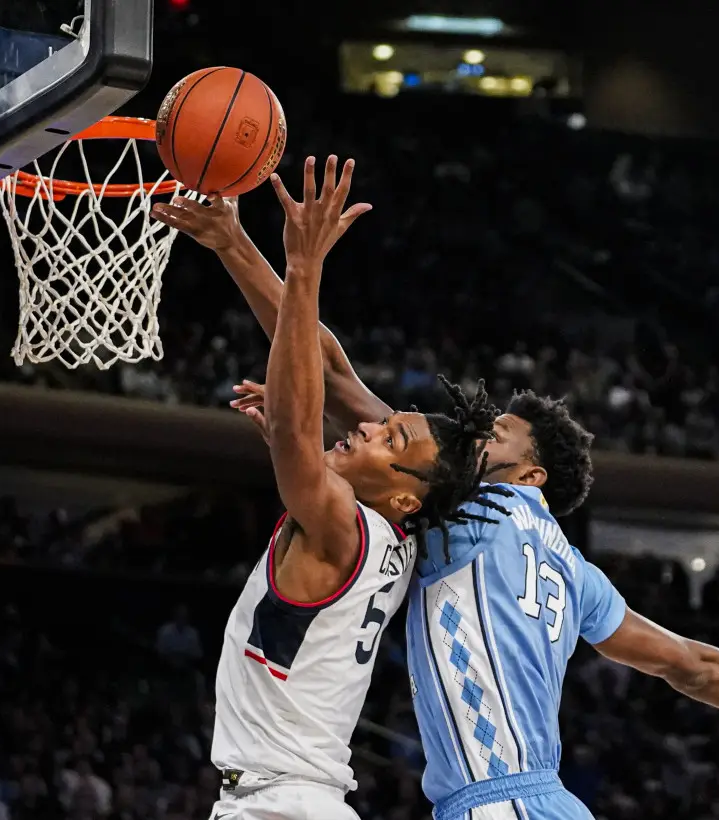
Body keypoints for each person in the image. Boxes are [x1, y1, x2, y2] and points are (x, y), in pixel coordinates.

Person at [152, 185, 719, 819]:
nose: (476, 435)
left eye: (496, 436)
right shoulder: (575, 575)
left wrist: (246, 252)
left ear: (531, 476)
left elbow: (328, 384)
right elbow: (690, 665)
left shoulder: (468, 508)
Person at [202, 156, 504, 820]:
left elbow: (293, 423)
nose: (368, 429)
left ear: (405, 496)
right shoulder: (389, 532)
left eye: (389, 440)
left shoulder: (344, 524)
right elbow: (328, 374)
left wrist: (305, 265)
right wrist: (233, 243)